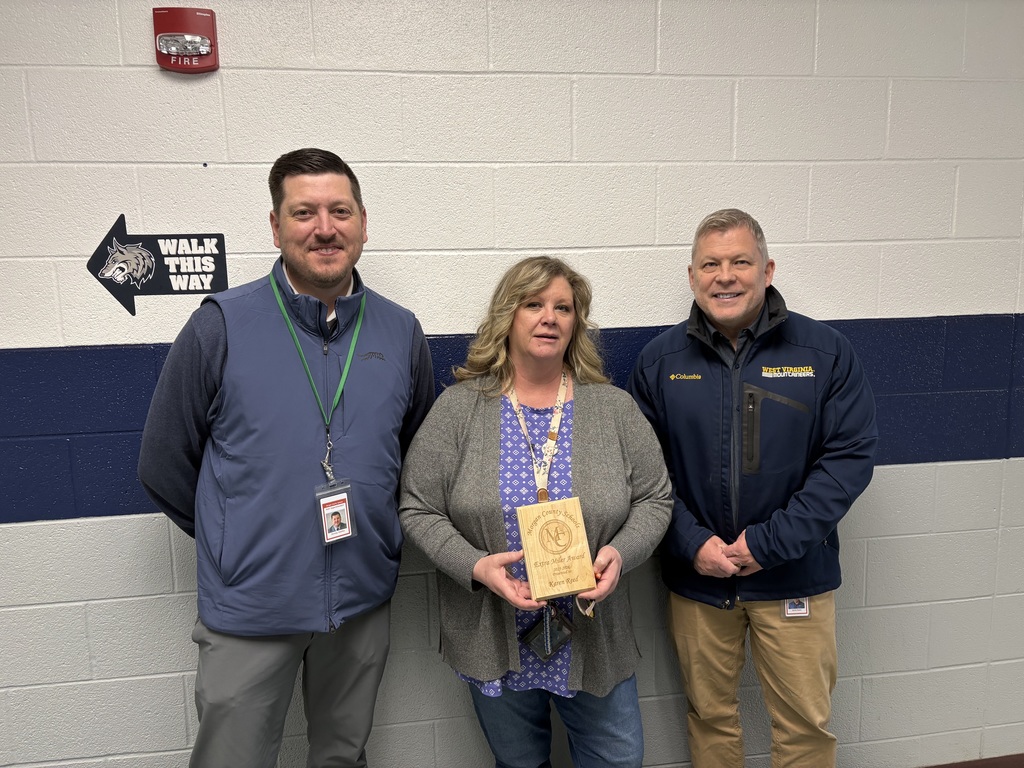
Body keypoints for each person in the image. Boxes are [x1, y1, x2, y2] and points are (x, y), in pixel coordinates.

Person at [138, 148, 435, 768]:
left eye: (340, 211)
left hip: (359, 601)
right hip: (252, 605)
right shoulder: (221, 326)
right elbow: (165, 464)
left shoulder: (401, 332)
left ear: (363, 223)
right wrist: (239, 541)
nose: (324, 228)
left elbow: (413, 456)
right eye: (304, 213)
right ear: (276, 227)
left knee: (342, 757)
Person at [627, 209, 877, 768]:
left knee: (804, 727)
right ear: (691, 276)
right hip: (700, 582)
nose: (725, 276)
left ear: (767, 270)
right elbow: (644, 473)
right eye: (710, 264)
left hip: (793, 577)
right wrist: (692, 544)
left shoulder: (825, 354)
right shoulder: (659, 363)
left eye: (740, 262)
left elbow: (848, 459)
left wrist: (768, 544)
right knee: (710, 720)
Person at [400, 256, 672, 768]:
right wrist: (475, 567)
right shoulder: (459, 408)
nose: (549, 317)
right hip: (493, 631)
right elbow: (418, 506)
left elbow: (656, 498)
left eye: (563, 308)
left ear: (576, 322)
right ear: (508, 315)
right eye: (533, 304)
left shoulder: (613, 408)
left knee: (618, 760)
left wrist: (620, 554)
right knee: (519, 764)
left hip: (592, 631)